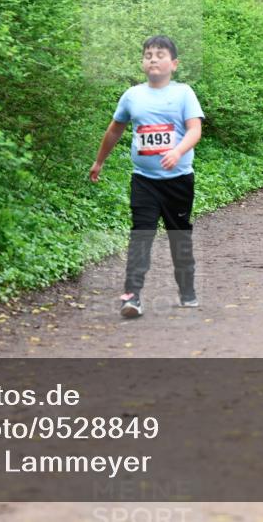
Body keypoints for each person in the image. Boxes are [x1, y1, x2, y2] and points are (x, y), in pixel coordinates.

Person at [89, 35, 205, 318]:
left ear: (174, 64)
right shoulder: (132, 96)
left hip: (178, 181)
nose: (153, 59)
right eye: (148, 55)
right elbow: (115, 129)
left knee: (179, 236)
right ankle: (132, 296)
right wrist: (99, 161)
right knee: (141, 234)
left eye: (160, 54)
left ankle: (187, 290)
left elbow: (194, 130)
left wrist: (177, 151)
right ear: (142, 63)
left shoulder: (184, 94)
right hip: (144, 180)